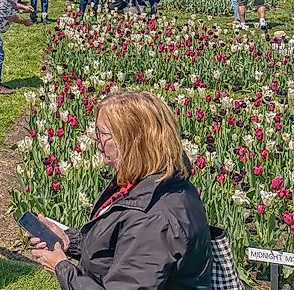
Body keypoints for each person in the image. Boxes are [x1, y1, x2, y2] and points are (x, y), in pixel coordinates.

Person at [26, 90, 212, 289]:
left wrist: (61, 267)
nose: (95, 140)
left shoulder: (153, 220)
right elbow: (119, 245)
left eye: (102, 133)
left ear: (131, 141)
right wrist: (69, 240)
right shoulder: (155, 184)